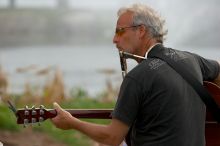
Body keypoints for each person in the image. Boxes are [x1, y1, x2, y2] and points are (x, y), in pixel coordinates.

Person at [51, 3, 220, 146]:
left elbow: (112, 137)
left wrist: (72, 123)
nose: (114, 40)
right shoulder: (192, 59)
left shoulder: (137, 77)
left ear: (140, 31)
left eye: (120, 31)